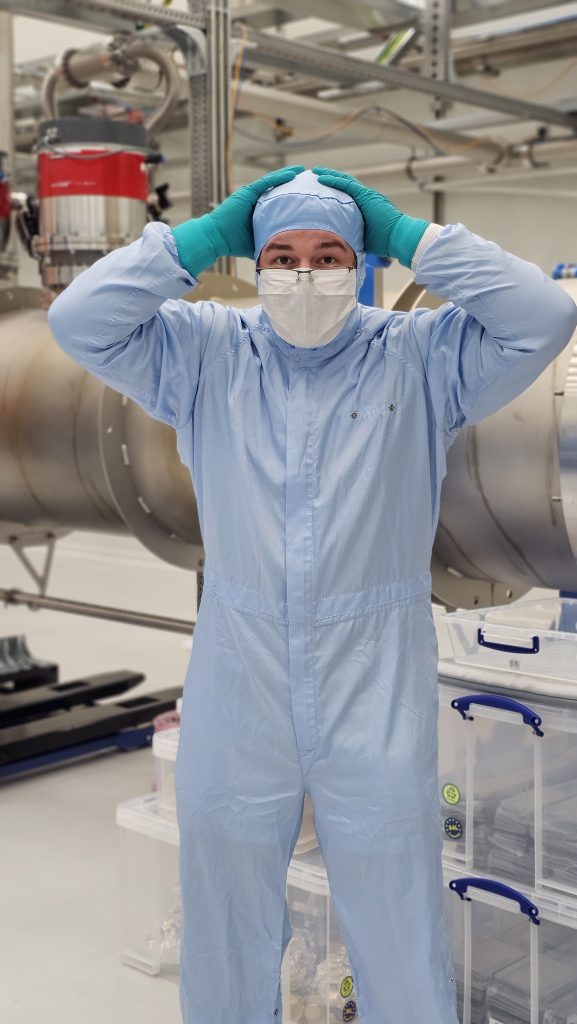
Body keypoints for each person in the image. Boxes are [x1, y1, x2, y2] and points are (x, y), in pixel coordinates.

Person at [48, 167, 577, 1024]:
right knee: (224, 907)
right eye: (281, 257)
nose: (305, 276)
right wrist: (198, 238)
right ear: (254, 266)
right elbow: (80, 321)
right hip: (239, 666)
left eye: (329, 254)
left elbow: (544, 314)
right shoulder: (204, 351)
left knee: (393, 906)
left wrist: (410, 235)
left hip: (374, 671)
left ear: (361, 263)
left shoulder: (420, 355)